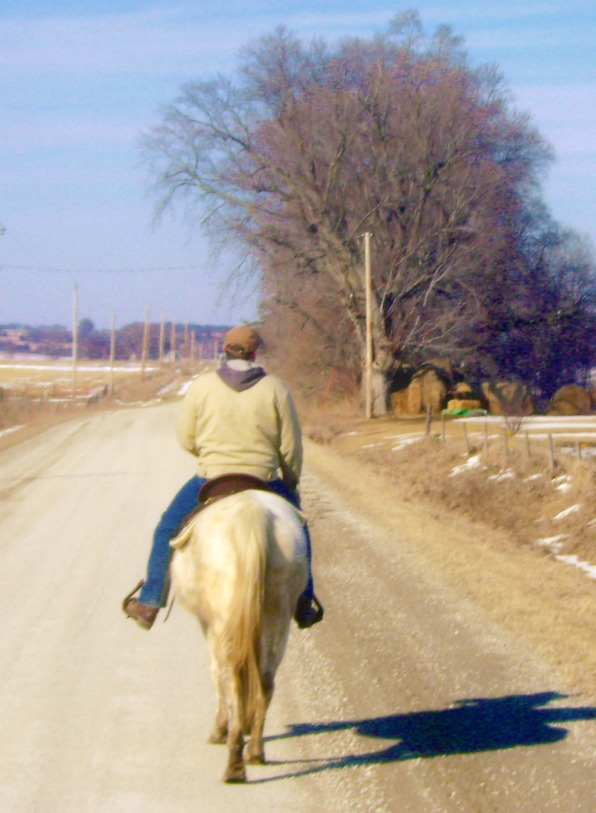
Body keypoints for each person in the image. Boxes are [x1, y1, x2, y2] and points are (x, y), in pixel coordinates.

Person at [122, 324, 324, 631]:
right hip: (264, 479)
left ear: (224, 349)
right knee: (300, 527)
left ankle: (150, 603)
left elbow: (186, 437)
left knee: (167, 529)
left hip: (211, 478)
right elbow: (290, 447)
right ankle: (303, 603)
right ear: (256, 353)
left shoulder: (202, 387)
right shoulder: (276, 389)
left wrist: (209, 458)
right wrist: (291, 482)